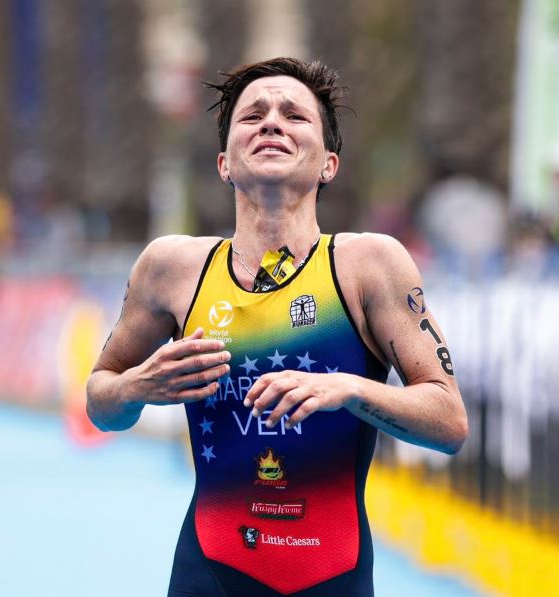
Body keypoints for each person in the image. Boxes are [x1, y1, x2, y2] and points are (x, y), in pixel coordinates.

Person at [86, 57, 468, 596]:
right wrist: (135, 388)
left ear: (329, 165)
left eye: (294, 115)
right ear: (224, 163)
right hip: (210, 573)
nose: (271, 123)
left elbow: (450, 423)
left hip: (331, 576)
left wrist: (350, 389)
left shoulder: (370, 265)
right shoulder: (170, 268)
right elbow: (100, 403)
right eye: (253, 115)